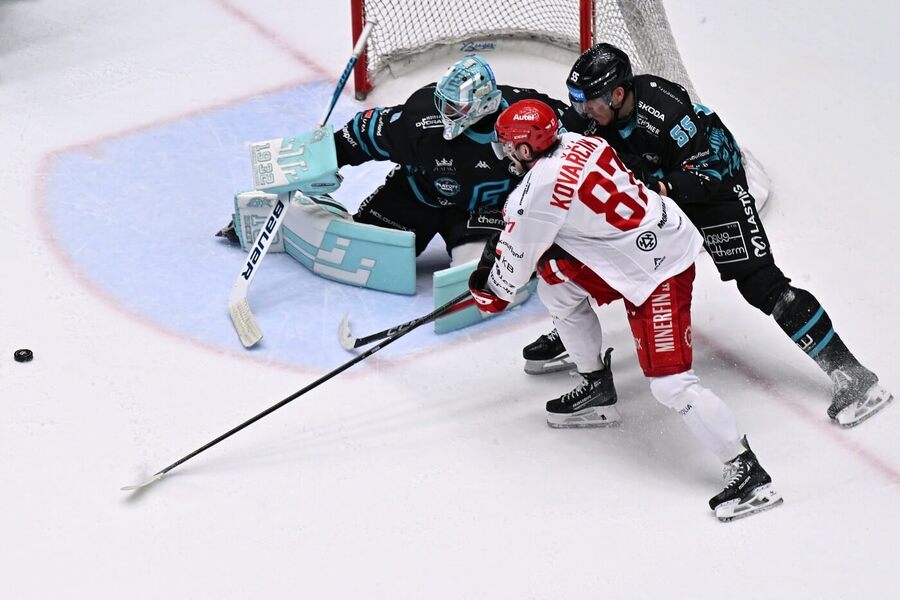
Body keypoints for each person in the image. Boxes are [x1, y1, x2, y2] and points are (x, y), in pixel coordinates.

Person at [523, 43, 892, 428]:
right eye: (576, 101)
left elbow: (706, 174)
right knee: (581, 248)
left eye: (589, 101)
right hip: (654, 192)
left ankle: (852, 375)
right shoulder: (593, 118)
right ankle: (574, 335)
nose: (582, 111)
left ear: (618, 94)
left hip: (713, 192)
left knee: (761, 284)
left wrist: (654, 190)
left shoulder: (665, 111)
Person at [467, 99, 783, 521]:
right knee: (556, 282)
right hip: (639, 241)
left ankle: (747, 473)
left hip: (659, 271)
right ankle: (597, 386)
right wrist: (523, 244)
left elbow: (503, 287)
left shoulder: (534, 192)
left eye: (509, 147)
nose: (505, 156)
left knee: (670, 384)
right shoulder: (580, 141)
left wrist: (485, 284)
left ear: (527, 150)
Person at [218, 54, 585, 267]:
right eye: (445, 102)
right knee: (366, 255)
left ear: (484, 104)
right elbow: (361, 135)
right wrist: (311, 165)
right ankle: (294, 214)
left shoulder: (528, 117)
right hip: (417, 196)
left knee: (478, 270)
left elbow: (579, 144)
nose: (445, 114)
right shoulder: (422, 118)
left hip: (482, 210)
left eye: (456, 107)